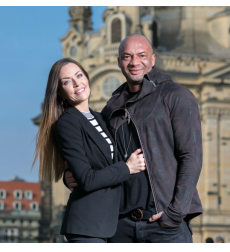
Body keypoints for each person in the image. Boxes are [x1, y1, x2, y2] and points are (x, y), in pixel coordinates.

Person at [65, 33, 203, 243]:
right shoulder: (111, 107)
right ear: (119, 62)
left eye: (141, 55)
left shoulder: (176, 96)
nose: (134, 62)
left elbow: (191, 158)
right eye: (127, 56)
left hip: (164, 225)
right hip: (120, 226)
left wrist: (174, 214)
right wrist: (69, 173)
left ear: (153, 59)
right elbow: (98, 155)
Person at [32, 58, 146, 243]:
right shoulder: (67, 123)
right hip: (87, 225)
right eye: (67, 81)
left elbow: (100, 163)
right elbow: (87, 179)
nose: (77, 83)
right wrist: (127, 168)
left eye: (79, 75)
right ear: (60, 92)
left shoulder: (100, 118)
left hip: (111, 224)